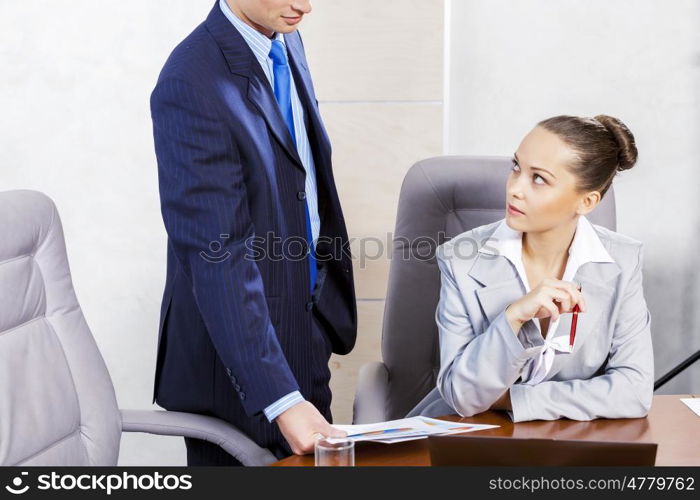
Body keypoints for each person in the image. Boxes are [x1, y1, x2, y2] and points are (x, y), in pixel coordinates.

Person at [149, 0, 356, 464]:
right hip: (235, 367)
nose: (305, 6)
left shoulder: (283, 37)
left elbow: (301, 186)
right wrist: (280, 398)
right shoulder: (191, 80)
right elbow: (216, 254)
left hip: (303, 332)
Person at [410, 114, 654, 422]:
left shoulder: (624, 260)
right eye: (516, 167)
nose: (514, 188)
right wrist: (513, 317)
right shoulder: (460, 258)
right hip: (470, 438)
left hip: (573, 444)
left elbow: (634, 392)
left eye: (538, 178)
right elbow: (462, 396)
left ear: (587, 201)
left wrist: (513, 399)